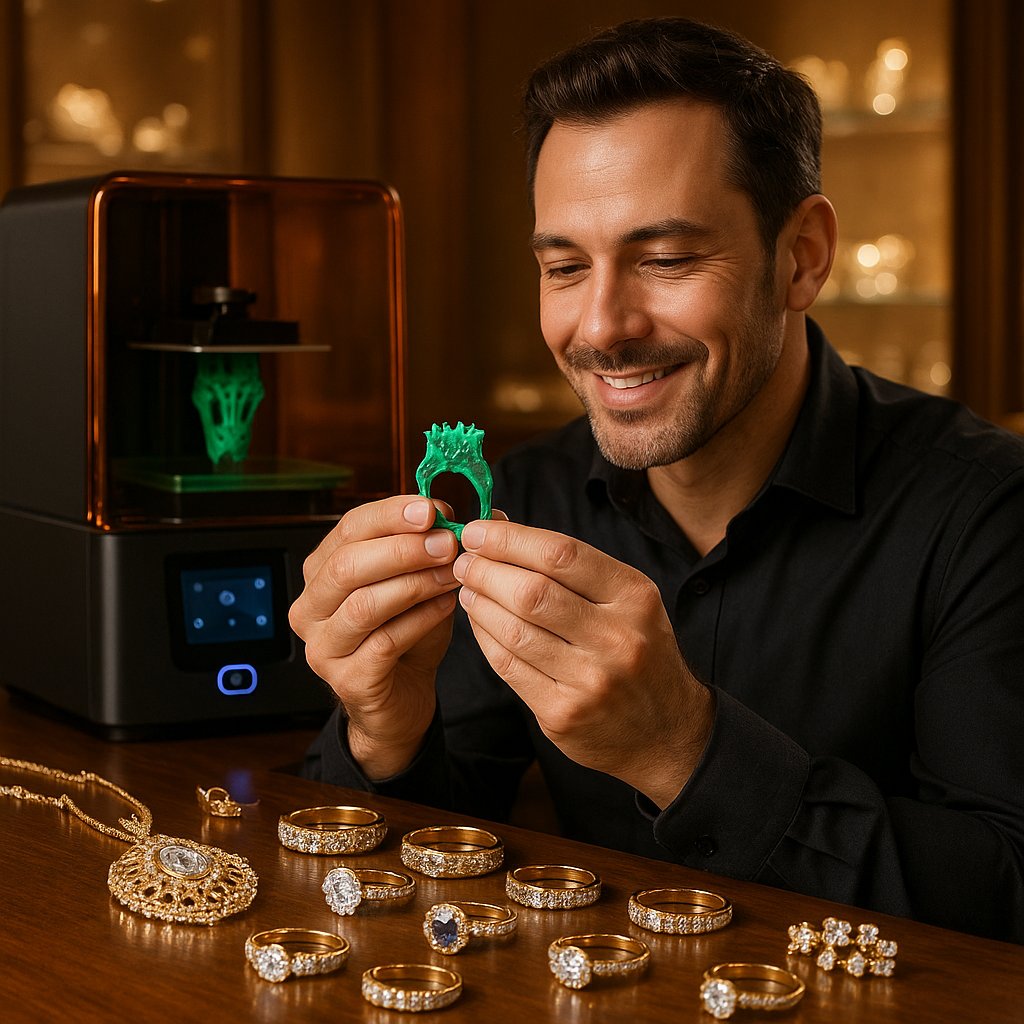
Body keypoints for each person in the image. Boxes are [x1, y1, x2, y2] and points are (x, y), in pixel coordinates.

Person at [289, 17, 1024, 943]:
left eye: (667, 259)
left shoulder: (987, 513)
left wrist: (684, 751)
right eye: (563, 266)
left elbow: (1008, 896)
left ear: (802, 256)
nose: (602, 326)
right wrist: (383, 733)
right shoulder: (525, 497)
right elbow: (411, 869)